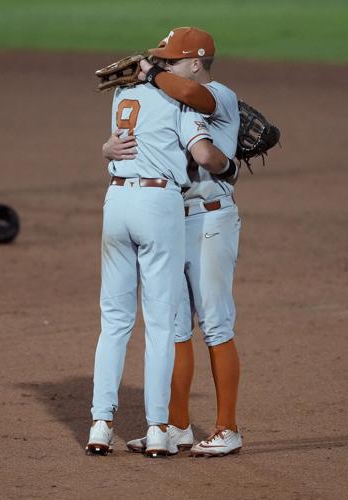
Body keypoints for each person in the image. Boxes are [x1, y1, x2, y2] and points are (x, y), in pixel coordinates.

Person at [103, 27, 244, 457]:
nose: (161, 66)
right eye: (159, 60)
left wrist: (150, 75)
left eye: (171, 61)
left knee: (215, 323)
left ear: (196, 63)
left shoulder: (217, 93)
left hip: (210, 220)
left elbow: (197, 117)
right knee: (175, 326)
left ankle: (227, 428)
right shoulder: (168, 97)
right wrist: (108, 149)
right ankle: (177, 425)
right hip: (167, 218)